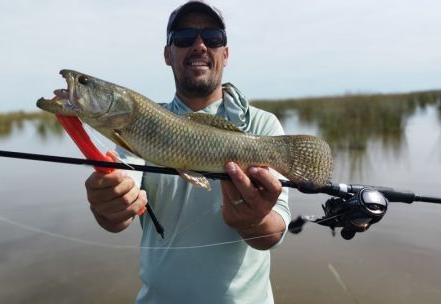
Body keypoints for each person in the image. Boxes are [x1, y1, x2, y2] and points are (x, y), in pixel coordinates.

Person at [85, 1, 290, 303]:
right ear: (168, 55)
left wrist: (254, 221)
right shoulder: (143, 123)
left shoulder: (261, 126)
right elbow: (118, 210)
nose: (199, 45)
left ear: (226, 53)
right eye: (183, 38)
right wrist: (108, 205)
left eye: (213, 37)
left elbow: (275, 232)